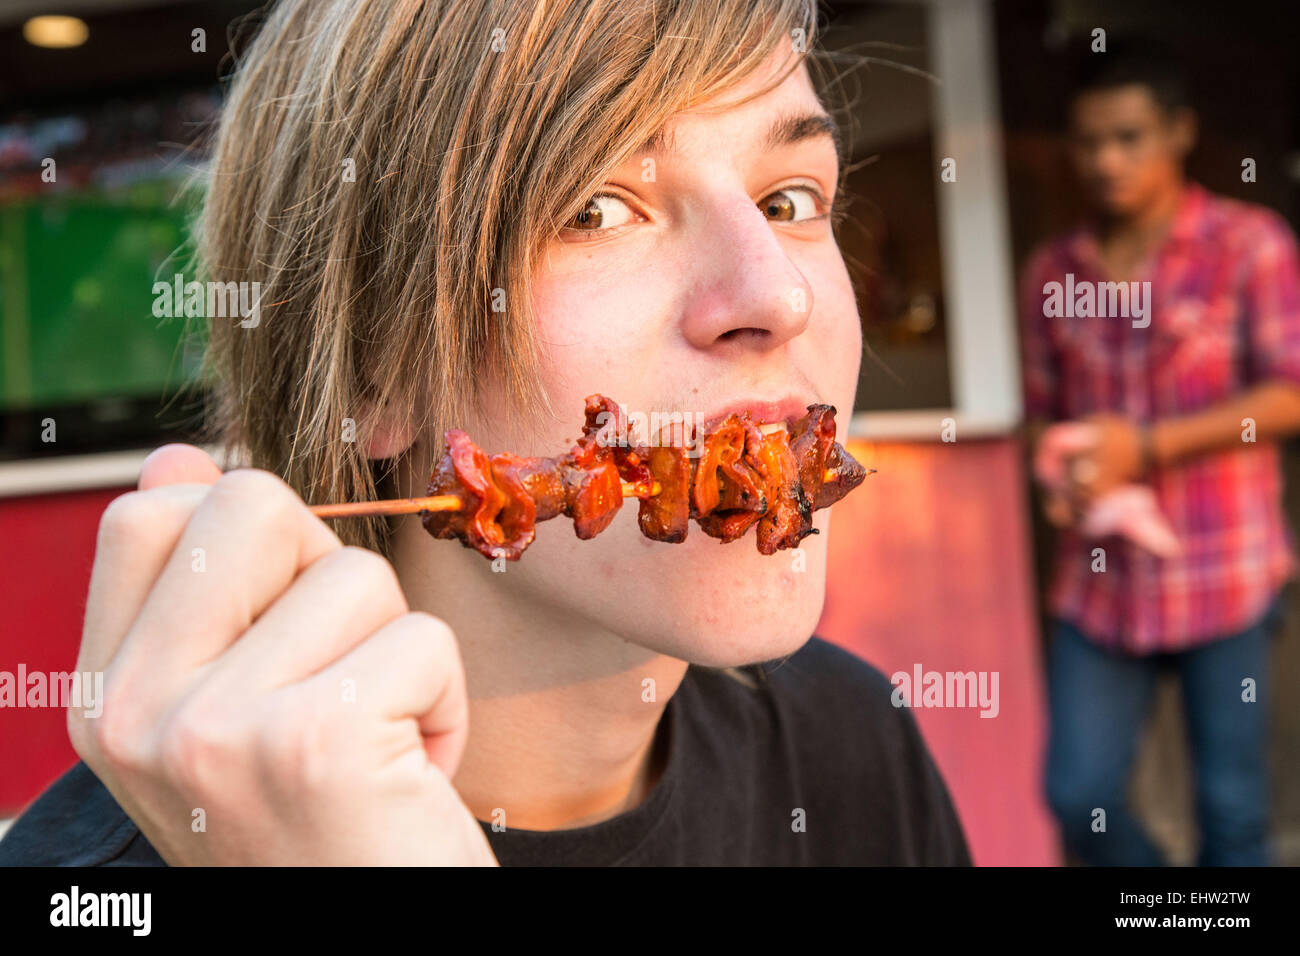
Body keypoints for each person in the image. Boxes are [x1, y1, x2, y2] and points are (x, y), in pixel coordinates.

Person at [0, 0, 970, 866]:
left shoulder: (848, 743)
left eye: (787, 200)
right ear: (374, 365)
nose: (779, 293)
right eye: (594, 209)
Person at [1019, 41, 1300, 866]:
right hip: (1100, 584)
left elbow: (1289, 392)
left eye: (1129, 137)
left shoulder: (1250, 246)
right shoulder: (1052, 272)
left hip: (1226, 570)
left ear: (1179, 131)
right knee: (1079, 796)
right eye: (1089, 141)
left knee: (1232, 811)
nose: (1106, 160)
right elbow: (1043, 416)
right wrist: (1059, 472)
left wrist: (1140, 448)